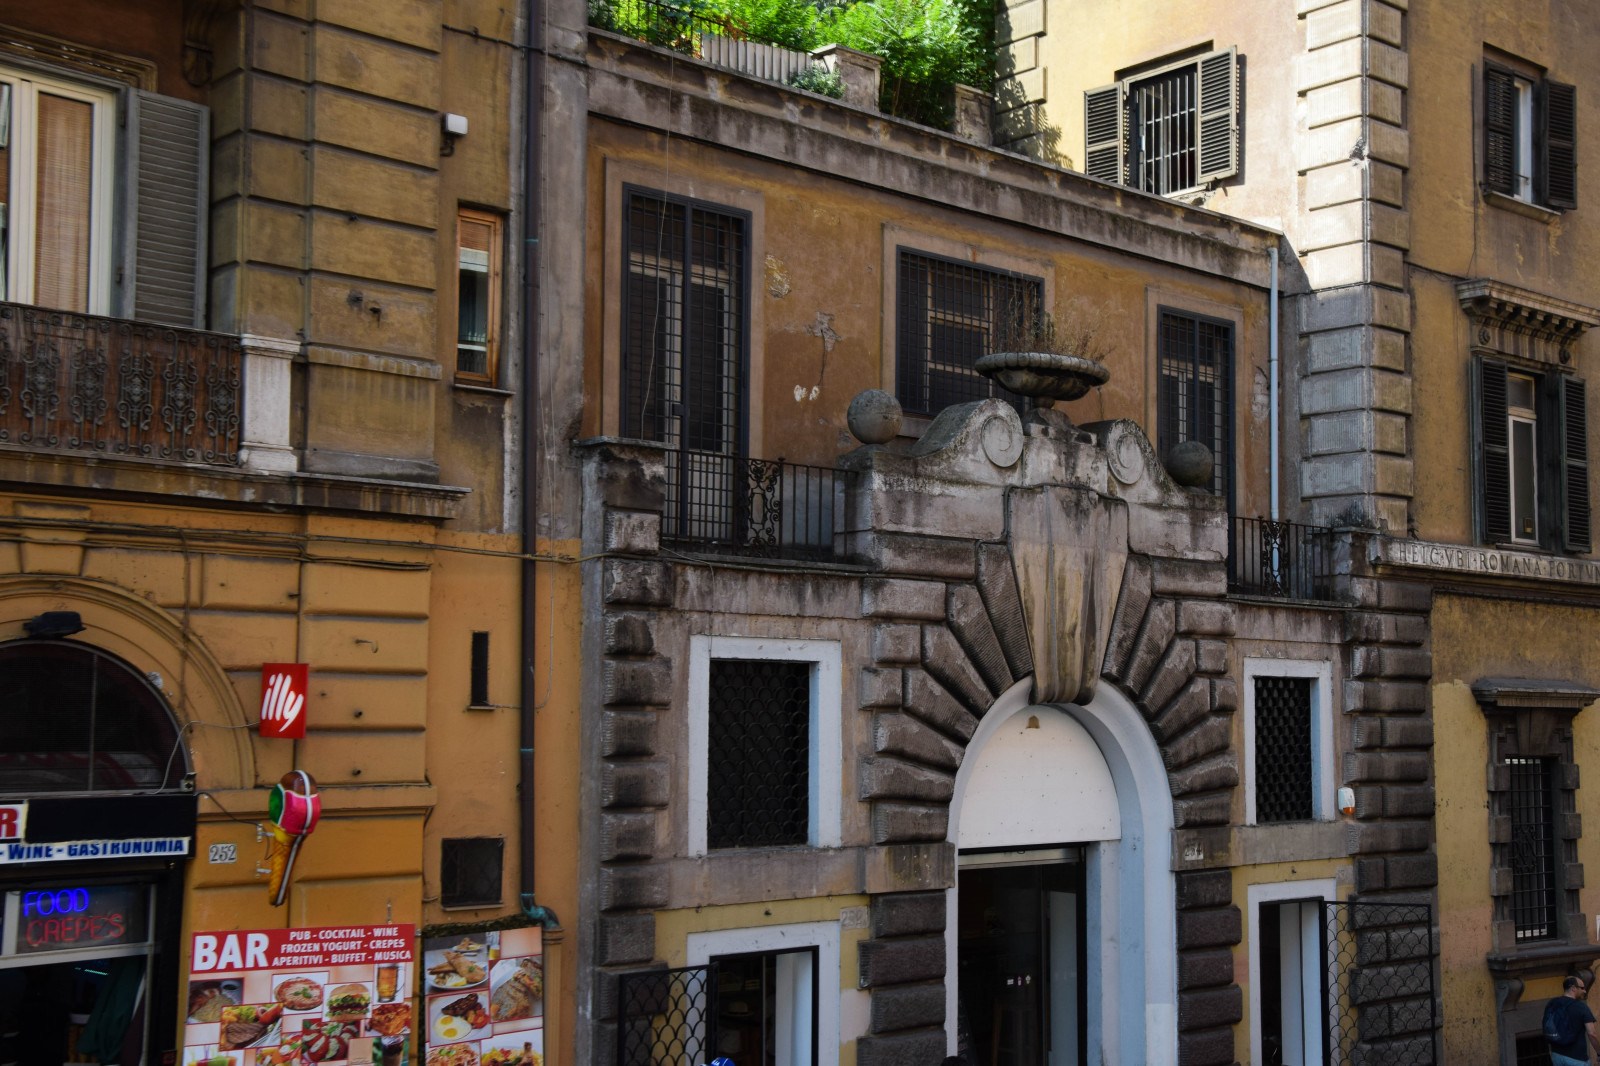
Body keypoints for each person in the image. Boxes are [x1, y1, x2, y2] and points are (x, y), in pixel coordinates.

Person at [1545, 976, 1600, 1066]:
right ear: (1573, 988)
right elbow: (1592, 1034)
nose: (1585, 991)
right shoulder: (1581, 1007)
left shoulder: (1552, 1004)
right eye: (1582, 988)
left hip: (1557, 1056)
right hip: (1577, 1059)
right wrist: (1599, 1053)